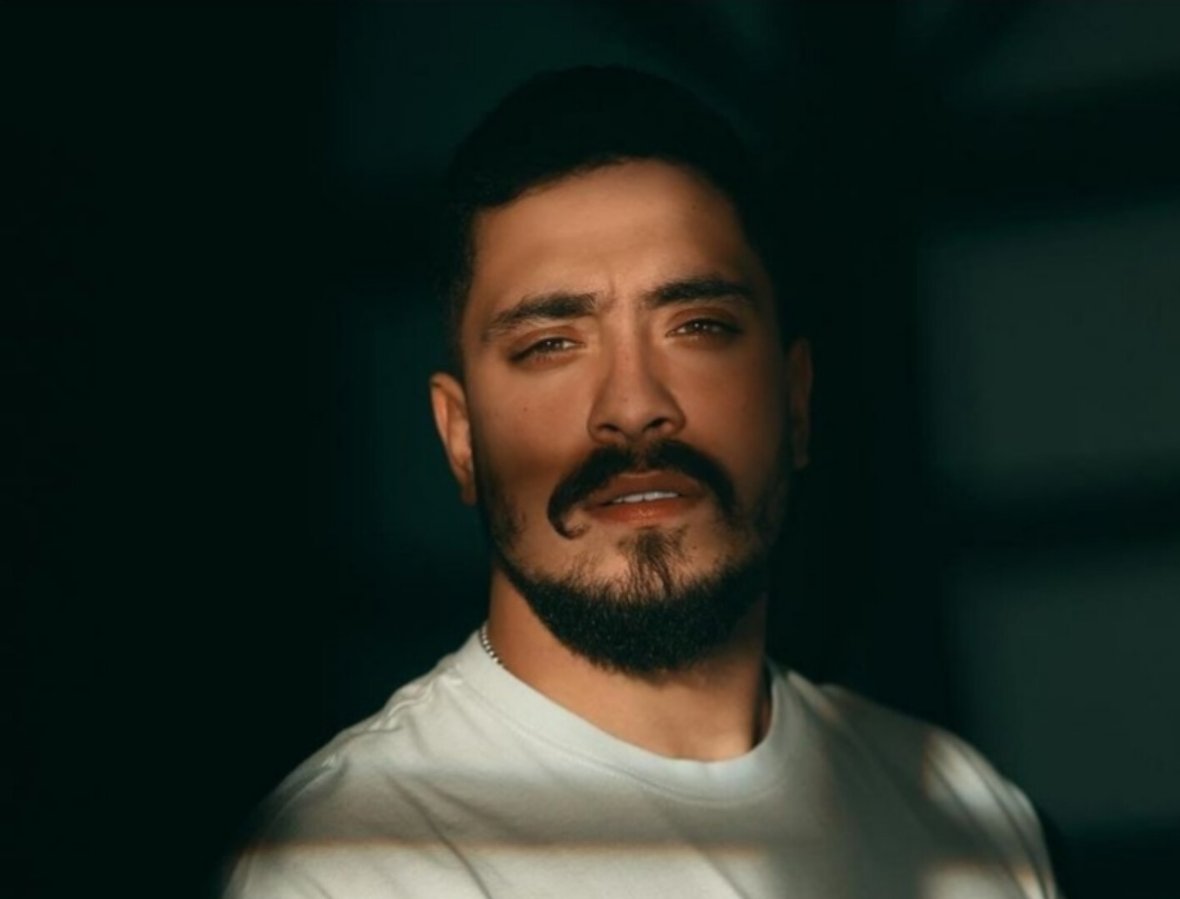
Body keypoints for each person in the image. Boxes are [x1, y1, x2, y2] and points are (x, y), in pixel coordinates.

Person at [223, 66, 1059, 898]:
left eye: (699, 326)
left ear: (796, 399)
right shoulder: (355, 865)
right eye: (551, 344)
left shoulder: (963, 812)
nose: (633, 407)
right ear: (461, 437)